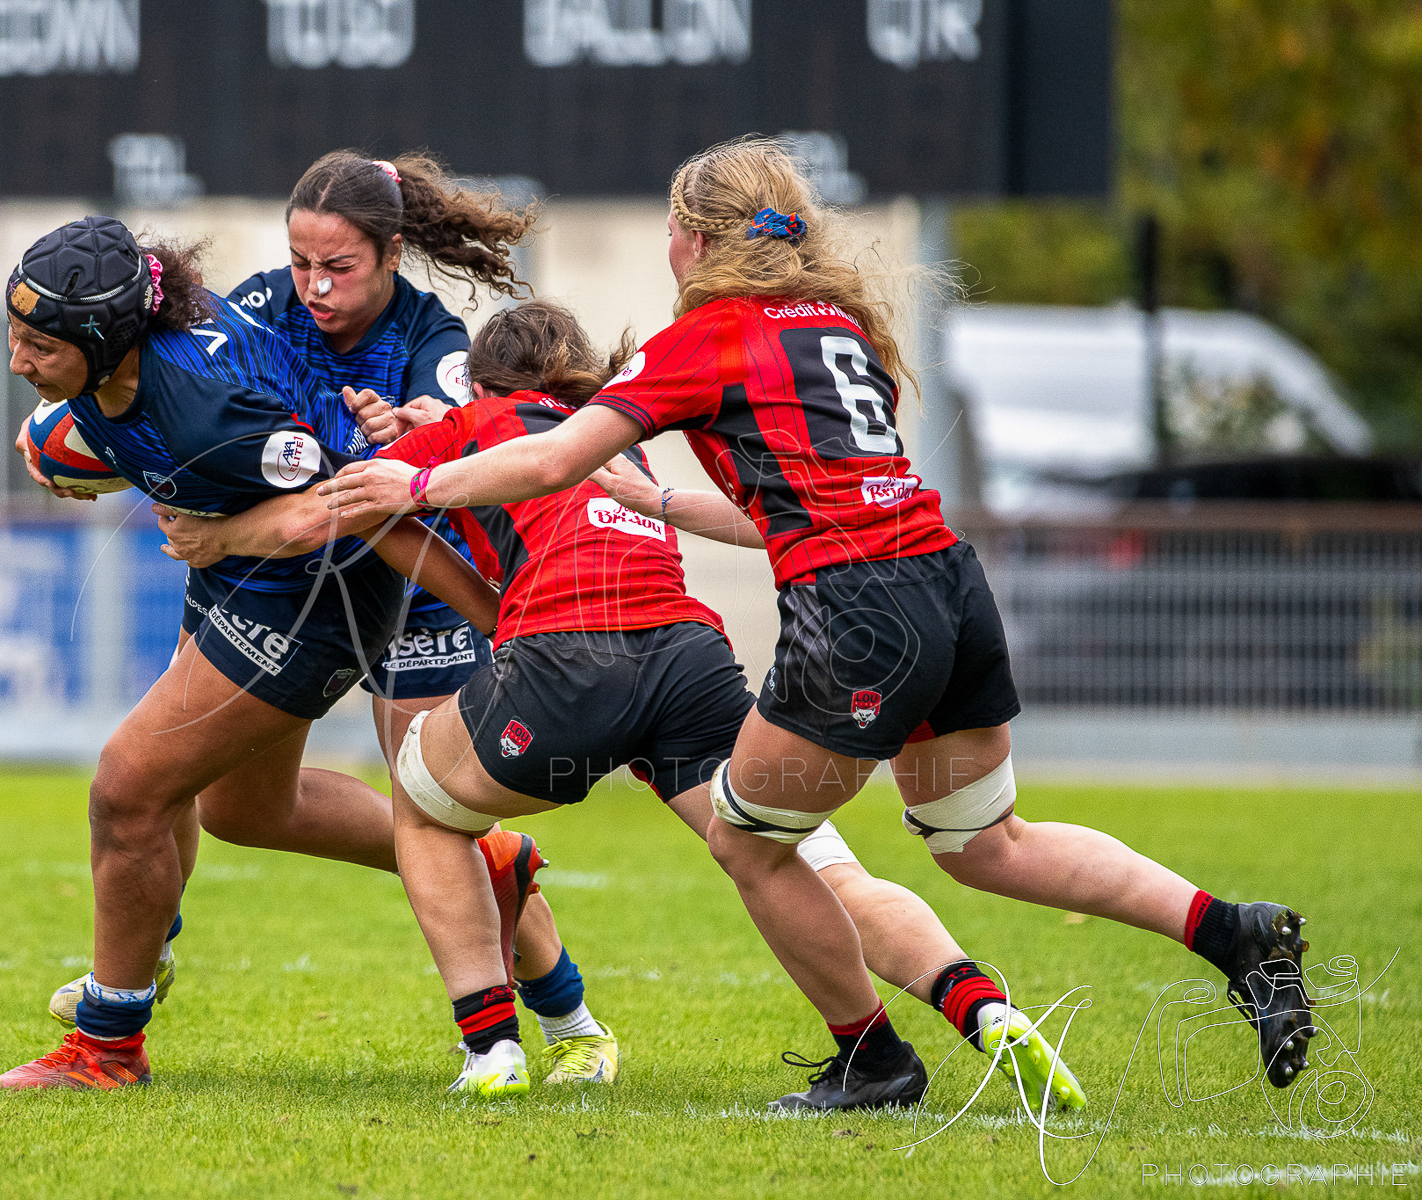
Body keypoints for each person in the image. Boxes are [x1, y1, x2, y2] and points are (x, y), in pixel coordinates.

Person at [316, 137, 1315, 1108]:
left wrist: (417, 482)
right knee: (989, 843)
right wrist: (657, 502)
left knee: (750, 845)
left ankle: (872, 1061)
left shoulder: (705, 336)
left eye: (671, 231)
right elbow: (791, 509)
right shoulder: (838, 324)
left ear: (696, 239)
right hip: (948, 587)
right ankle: (1231, 932)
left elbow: (546, 459)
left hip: (860, 619)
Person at [201, 300, 1085, 1109]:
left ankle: (493, 1048)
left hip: (570, 664)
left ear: (479, 384)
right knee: (807, 860)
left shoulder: (472, 426)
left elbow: (340, 507)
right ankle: (971, 1004)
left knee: (425, 807)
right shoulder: (615, 441)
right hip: (688, 661)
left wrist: (217, 535)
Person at [0, 215, 552, 1090]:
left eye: (40, 347)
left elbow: (360, 502)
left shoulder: (211, 407)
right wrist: (79, 452)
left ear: (105, 342)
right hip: (243, 569)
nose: (18, 361)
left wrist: (498, 616)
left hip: (313, 596)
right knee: (244, 809)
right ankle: (481, 861)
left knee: (128, 789)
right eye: (16, 335)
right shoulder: (124, 364)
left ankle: (109, 1044)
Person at [144, 150, 619, 1080]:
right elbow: (181, 387)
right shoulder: (259, 307)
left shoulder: (433, 343)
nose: (314, 286)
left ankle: (570, 1026)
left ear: (392, 255)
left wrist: (413, 430)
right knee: (231, 805)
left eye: (339, 267)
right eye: (300, 262)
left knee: (432, 814)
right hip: (286, 582)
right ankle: (154, 935)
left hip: (415, 590)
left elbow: (464, 449)